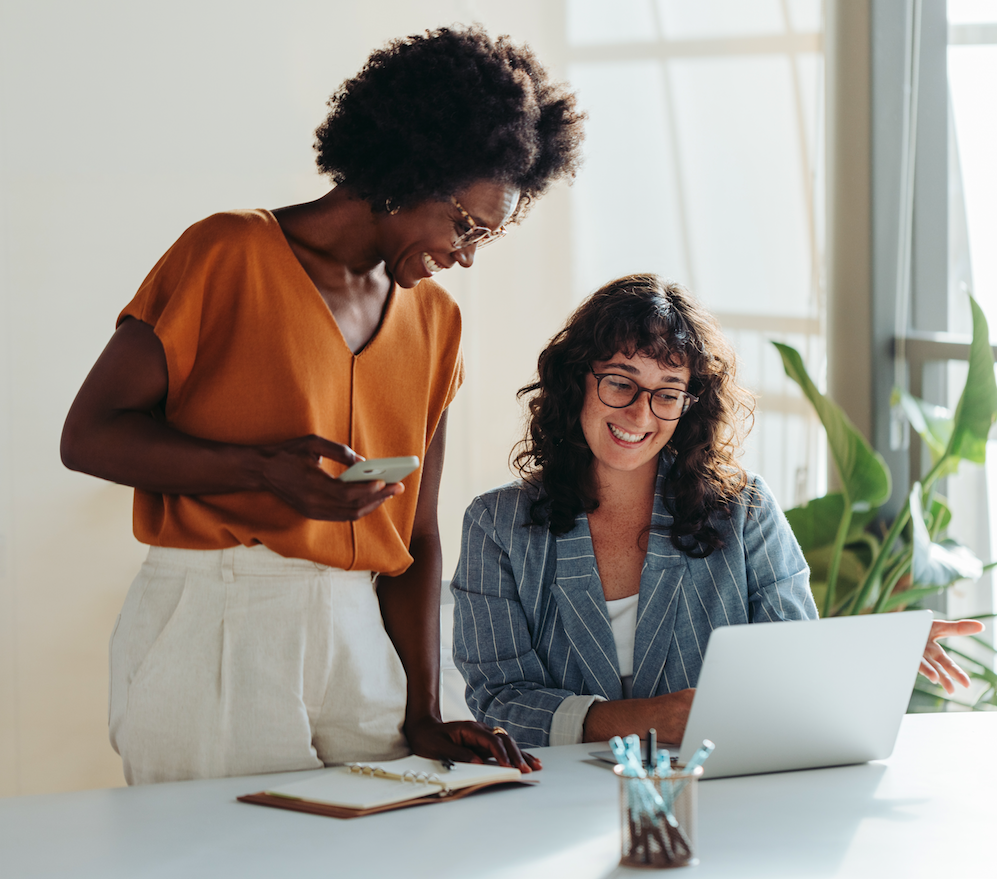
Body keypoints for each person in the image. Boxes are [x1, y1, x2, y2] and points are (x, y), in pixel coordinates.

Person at [60, 25, 584, 784]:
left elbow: (416, 536)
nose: (465, 254)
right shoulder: (227, 252)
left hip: (358, 632)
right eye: (465, 225)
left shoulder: (436, 322)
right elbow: (90, 435)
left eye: (486, 238)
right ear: (410, 172)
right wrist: (258, 471)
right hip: (218, 616)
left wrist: (424, 711)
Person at [450, 274, 984, 748]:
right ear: (576, 382)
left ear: (690, 405)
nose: (640, 412)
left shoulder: (744, 510)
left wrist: (873, 651)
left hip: (720, 787)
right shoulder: (496, 525)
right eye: (619, 382)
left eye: (668, 393)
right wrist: (641, 718)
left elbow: (788, 662)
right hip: (555, 800)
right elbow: (500, 701)